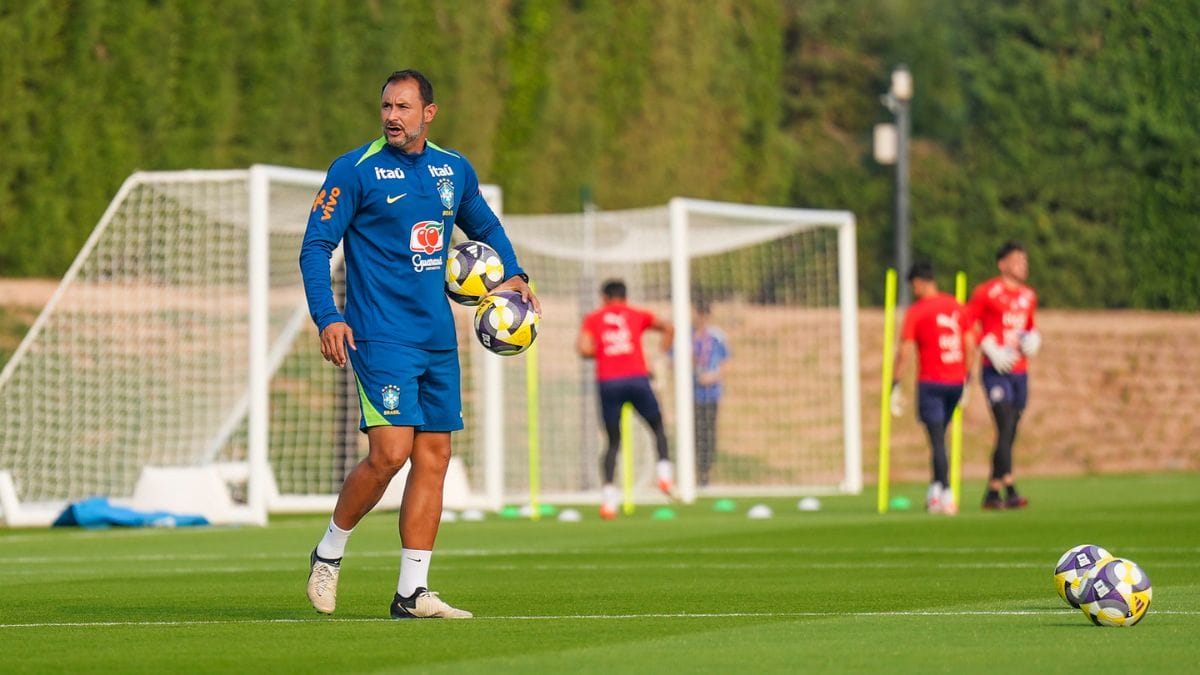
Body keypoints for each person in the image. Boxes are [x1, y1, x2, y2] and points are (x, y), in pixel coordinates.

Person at [298, 69, 538, 619]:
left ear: (429, 112)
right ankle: (329, 552)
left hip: (437, 339)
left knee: (435, 456)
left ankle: (412, 593)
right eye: (386, 106)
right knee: (389, 454)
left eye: (404, 107)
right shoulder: (354, 170)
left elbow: (485, 225)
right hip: (378, 334)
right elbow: (316, 247)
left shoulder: (452, 169)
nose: (392, 116)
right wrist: (327, 316)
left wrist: (514, 274)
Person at [577, 279, 675, 519]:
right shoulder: (637, 314)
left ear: (604, 297)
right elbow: (669, 328)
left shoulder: (593, 318)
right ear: (625, 296)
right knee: (658, 426)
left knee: (612, 441)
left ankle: (609, 501)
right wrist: (659, 357)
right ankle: (664, 475)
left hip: (608, 382)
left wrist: (604, 350)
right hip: (637, 379)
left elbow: (583, 349)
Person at [890, 262, 973, 515]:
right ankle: (934, 491)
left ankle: (946, 493)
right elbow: (970, 343)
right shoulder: (957, 306)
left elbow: (904, 352)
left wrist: (895, 384)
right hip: (956, 382)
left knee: (937, 440)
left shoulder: (917, 311)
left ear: (918, 282)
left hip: (931, 383)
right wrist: (968, 379)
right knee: (940, 438)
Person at [966, 241, 1040, 510]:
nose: (1024, 265)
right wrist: (987, 345)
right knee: (1005, 424)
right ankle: (1009, 486)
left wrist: (1035, 339)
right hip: (996, 369)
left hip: (1020, 371)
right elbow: (967, 322)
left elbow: (1030, 326)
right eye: (1018, 260)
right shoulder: (987, 292)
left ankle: (992, 491)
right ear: (1003, 264)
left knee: (1010, 430)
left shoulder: (1029, 296)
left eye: (1025, 260)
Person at [691, 299, 730, 487]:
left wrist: (712, 376)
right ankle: (692, 471)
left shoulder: (717, 337)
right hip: (691, 395)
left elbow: (726, 363)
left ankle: (705, 473)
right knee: (693, 433)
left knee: (708, 433)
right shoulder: (687, 336)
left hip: (711, 393)